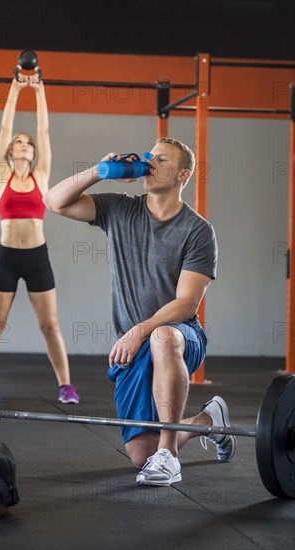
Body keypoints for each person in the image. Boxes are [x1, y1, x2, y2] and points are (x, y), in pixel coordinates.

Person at [43, 137, 236, 485]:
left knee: (162, 337)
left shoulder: (197, 231)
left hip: (180, 335)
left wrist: (140, 330)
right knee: (140, 457)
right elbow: (54, 202)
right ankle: (206, 422)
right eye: (149, 156)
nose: (149, 163)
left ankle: (170, 457)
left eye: (160, 160)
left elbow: (186, 303)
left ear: (182, 175)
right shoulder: (120, 210)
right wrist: (99, 171)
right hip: (133, 346)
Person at [0, 71, 79, 405]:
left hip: (37, 258)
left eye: (28, 143)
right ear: (10, 151)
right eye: (19, 142)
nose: (24, 144)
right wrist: (15, 88)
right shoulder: (1, 174)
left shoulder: (41, 175)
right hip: (6, 257)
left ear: (33, 152)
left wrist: (39, 92)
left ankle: (65, 386)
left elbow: (44, 130)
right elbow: (4, 128)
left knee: (50, 325)